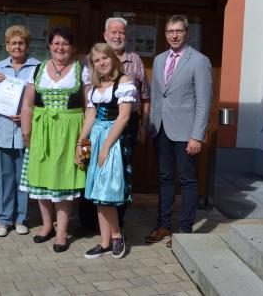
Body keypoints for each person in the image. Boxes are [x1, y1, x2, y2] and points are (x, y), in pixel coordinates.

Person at [77, 17, 150, 236]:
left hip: (126, 124)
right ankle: (89, 224)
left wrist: (144, 125)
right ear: (105, 34)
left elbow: (145, 96)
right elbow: (89, 103)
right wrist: (82, 140)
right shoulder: (93, 62)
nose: (117, 36)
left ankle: (116, 227)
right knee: (92, 173)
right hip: (98, 124)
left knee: (118, 177)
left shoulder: (135, 61)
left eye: (121, 33)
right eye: (113, 32)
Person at [145, 14, 212, 248]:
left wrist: (197, 135)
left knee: (187, 180)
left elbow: (204, 102)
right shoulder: (161, 59)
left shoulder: (199, 61)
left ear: (187, 33)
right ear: (165, 34)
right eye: (169, 31)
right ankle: (163, 225)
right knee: (164, 178)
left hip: (186, 133)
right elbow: (156, 96)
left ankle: (184, 230)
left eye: (178, 31)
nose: (174, 35)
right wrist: (150, 124)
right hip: (161, 129)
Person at [19, 26, 86, 253]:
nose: (60, 47)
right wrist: (26, 133)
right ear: (49, 45)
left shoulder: (81, 70)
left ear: (72, 47)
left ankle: (61, 231)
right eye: (56, 43)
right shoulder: (37, 70)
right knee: (40, 180)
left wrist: (83, 139)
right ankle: (47, 225)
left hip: (69, 132)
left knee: (63, 182)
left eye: (65, 44)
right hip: (41, 131)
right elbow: (28, 104)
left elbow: (88, 107)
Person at [77, 43, 136, 259]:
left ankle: (117, 236)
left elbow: (124, 117)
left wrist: (106, 147)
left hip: (114, 139)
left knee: (106, 192)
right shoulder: (93, 87)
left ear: (112, 58)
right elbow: (90, 117)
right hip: (96, 137)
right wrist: (81, 143)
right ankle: (104, 242)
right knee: (96, 192)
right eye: (97, 60)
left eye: (105, 58)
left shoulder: (124, 81)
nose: (102, 63)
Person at [0, 25, 40, 237]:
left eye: (21, 43)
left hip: (25, 131)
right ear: (7, 46)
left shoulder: (37, 67)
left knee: (22, 178)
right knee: (3, 176)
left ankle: (20, 218)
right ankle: (3, 219)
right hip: (2, 130)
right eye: (13, 43)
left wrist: (29, 115)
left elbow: (41, 99)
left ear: (27, 46)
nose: (17, 46)